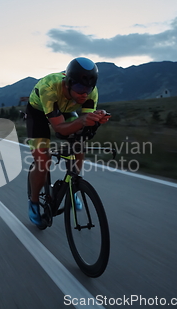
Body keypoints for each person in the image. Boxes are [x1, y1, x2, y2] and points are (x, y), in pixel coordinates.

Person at [26, 57, 110, 227]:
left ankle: (73, 186)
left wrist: (95, 122)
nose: (84, 94)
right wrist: (83, 121)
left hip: (64, 111)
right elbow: (60, 129)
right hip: (38, 113)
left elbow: (86, 128)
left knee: (79, 144)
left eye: (88, 88)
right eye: (79, 87)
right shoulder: (49, 88)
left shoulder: (90, 93)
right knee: (43, 161)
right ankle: (34, 202)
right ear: (68, 83)